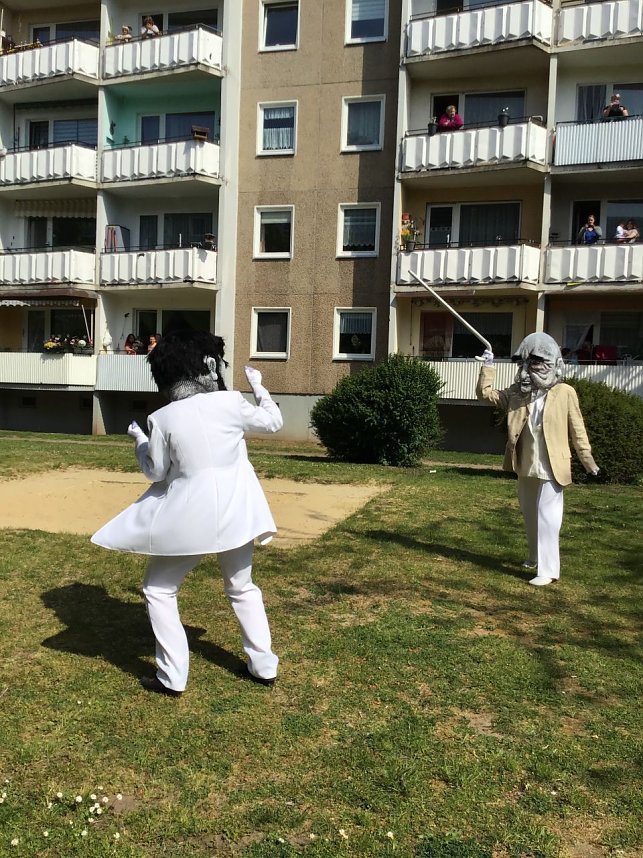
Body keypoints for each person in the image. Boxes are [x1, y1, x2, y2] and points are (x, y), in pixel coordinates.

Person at [91, 329, 283, 695]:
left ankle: (172, 675)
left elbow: (155, 471)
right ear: (208, 365)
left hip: (190, 516)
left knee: (158, 588)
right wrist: (259, 388)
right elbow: (272, 421)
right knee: (242, 586)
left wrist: (141, 440)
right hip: (238, 510)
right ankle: (263, 665)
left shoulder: (163, 417)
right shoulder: (229, 402)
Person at [476, 333, 599, 587]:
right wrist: (488, 366)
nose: (530, 369)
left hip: (553, 466)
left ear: (551, 363)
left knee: (548, 515)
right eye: (526, 363)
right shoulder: (518, 394)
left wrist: (589, 462)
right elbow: (485, 395)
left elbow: (578, 431)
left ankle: (549, 570)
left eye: (536, 362)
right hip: (526, 464)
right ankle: (534, 557)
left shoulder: (565, 392)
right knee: (530, 513)